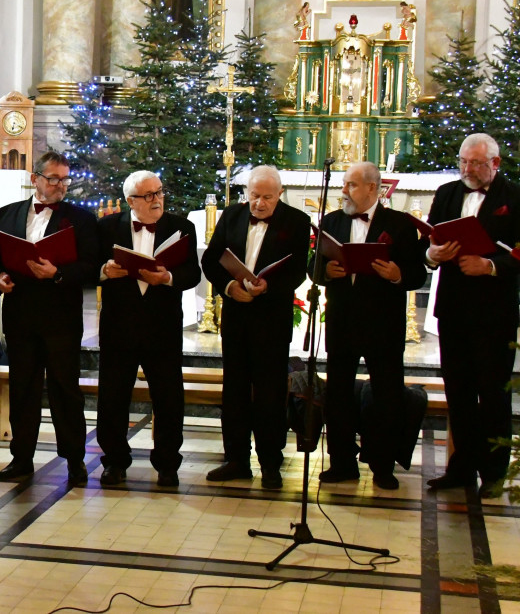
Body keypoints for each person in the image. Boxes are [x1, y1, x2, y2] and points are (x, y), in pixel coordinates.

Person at [0, 151, 99, 487]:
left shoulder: (81, 219)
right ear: (35, 179)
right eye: (53, 179)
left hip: (60, 318)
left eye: (64, 179)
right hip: (20, 315)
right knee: (23, 389)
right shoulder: (7, 214)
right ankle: (21, 458)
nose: (60, 185)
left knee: (65, 390)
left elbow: (92, 267)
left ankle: (75, 460)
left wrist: (58, 272)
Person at [309, 161, 426, 490]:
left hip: (383, 325)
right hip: (342, 322)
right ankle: (341, 463)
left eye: (351, 185)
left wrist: (397, 274)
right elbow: (313, 266)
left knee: (387, 396)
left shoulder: (399, 225)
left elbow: (417, 274)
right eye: (344, 184)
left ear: (373, 188)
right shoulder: (330, 221)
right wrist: (324, 272)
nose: (344, 191)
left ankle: (383, 466)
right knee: (338, 395)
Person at [201, 166, 311, 490]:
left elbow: (298, 271)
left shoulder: (297, 221)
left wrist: (269, 288)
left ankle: (270, 464)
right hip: (236, 318)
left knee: (270, 393)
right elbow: (211, 260)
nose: (259, 204)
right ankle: (235, 459)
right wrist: (228, 288)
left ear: (279, 194)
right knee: (234, 390)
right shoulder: (233, 215)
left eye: (266, 197)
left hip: (271, 320)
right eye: (254, 196)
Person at [425, 133, 520, 498]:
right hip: (453, 309)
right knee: (459, 392)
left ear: (495, 164)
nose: (468, 169)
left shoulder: (514, 198)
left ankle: (494, 472)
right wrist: (433, 256)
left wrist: (491, 266)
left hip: (494, 313)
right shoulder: (447, 193)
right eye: (463, 161)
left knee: (493, 394)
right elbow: (429, 241)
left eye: (476, 163)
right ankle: (461, 467)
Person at [96, 170, 201, 488]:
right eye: (149, 195)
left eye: (159, 192)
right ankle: (114, 462)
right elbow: (89, 267)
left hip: (163, 327)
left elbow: (192, 273)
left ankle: (168, 465)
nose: (157, 200)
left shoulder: (182, 228)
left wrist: (167, 278)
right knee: (112, 397)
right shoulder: (106, 228)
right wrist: (104, 271)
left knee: (169, 399)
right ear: (130, 201)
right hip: (119, 326)